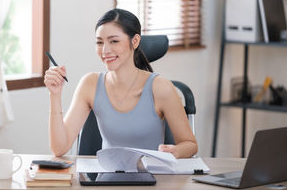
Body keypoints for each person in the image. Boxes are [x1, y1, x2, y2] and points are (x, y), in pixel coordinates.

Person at [44, 8, 198, 158]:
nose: (105, 50)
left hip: (153, 180)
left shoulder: (161, 88)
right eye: (99, 42)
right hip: (107, 180)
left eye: (114, 41)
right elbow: (59, 148)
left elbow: (190, 144)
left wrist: (175, 152)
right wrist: (55, 94)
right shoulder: (89, 84)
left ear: (135, 41)